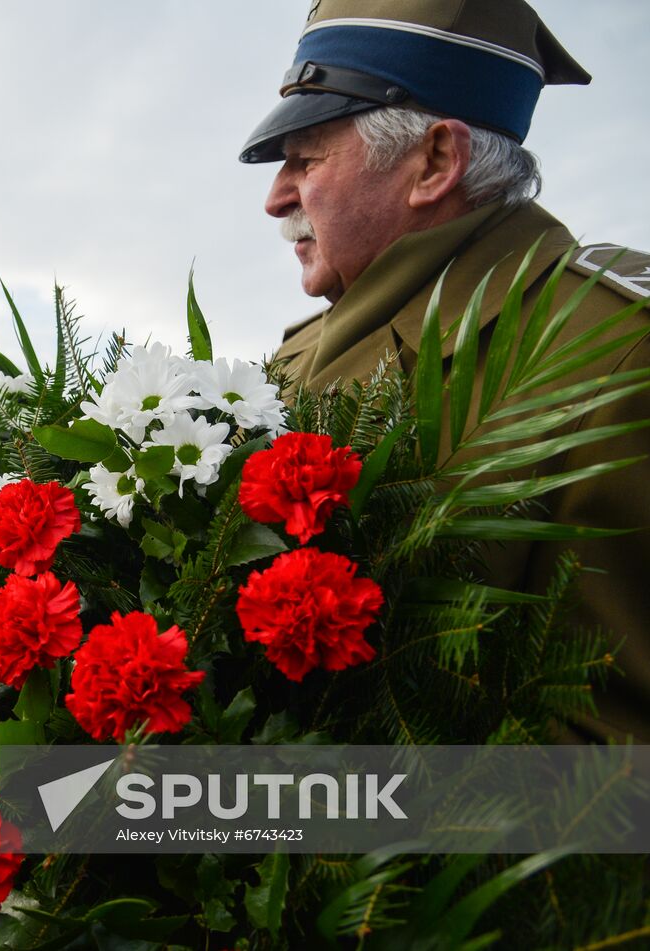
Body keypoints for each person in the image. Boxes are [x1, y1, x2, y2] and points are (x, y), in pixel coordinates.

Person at [240, 0, 649, 740]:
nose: (276, 198)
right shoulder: (296, 352)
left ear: (433, 163)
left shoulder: (614, 346)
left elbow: (608, 759)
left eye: (305, 159)